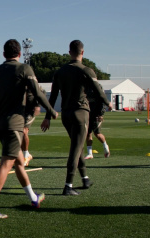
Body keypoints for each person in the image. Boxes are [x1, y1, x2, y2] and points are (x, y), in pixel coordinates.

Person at [0, 39, 58, 219]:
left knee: (19, 161)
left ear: (3, 53)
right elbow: (37, 93)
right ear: (20, 53)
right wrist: (52, 110)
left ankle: (33, 198)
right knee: (6, 163)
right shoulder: (24, 69)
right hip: (14, 124)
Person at [41, 40, 112, 196]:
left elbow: (51, 98)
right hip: (81, 113)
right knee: (75, 149)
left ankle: (85, 178)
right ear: (83, 52)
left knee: (77, 145)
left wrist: (47, 117)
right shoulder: (86, 70)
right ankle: (68, 186)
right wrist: (108, 103)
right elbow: (99, 92)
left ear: (69, 52)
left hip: (66, 114)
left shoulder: (60, 72)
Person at [22, 86, 47, 166]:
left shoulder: (30, 80)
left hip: (30, 111)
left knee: (23, 131)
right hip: (19, 111)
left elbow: (42, 91)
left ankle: (26, 155)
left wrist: (37, 105)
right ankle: (21, 154)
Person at [84, 83, 110, 159]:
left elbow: (103, 100)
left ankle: (105, 147)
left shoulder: (97, 86)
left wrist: (101, 114)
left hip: (96, 114)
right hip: (87, 113)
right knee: (88, 133)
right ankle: (90, 153)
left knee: (97, 134)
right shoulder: (84, 86)